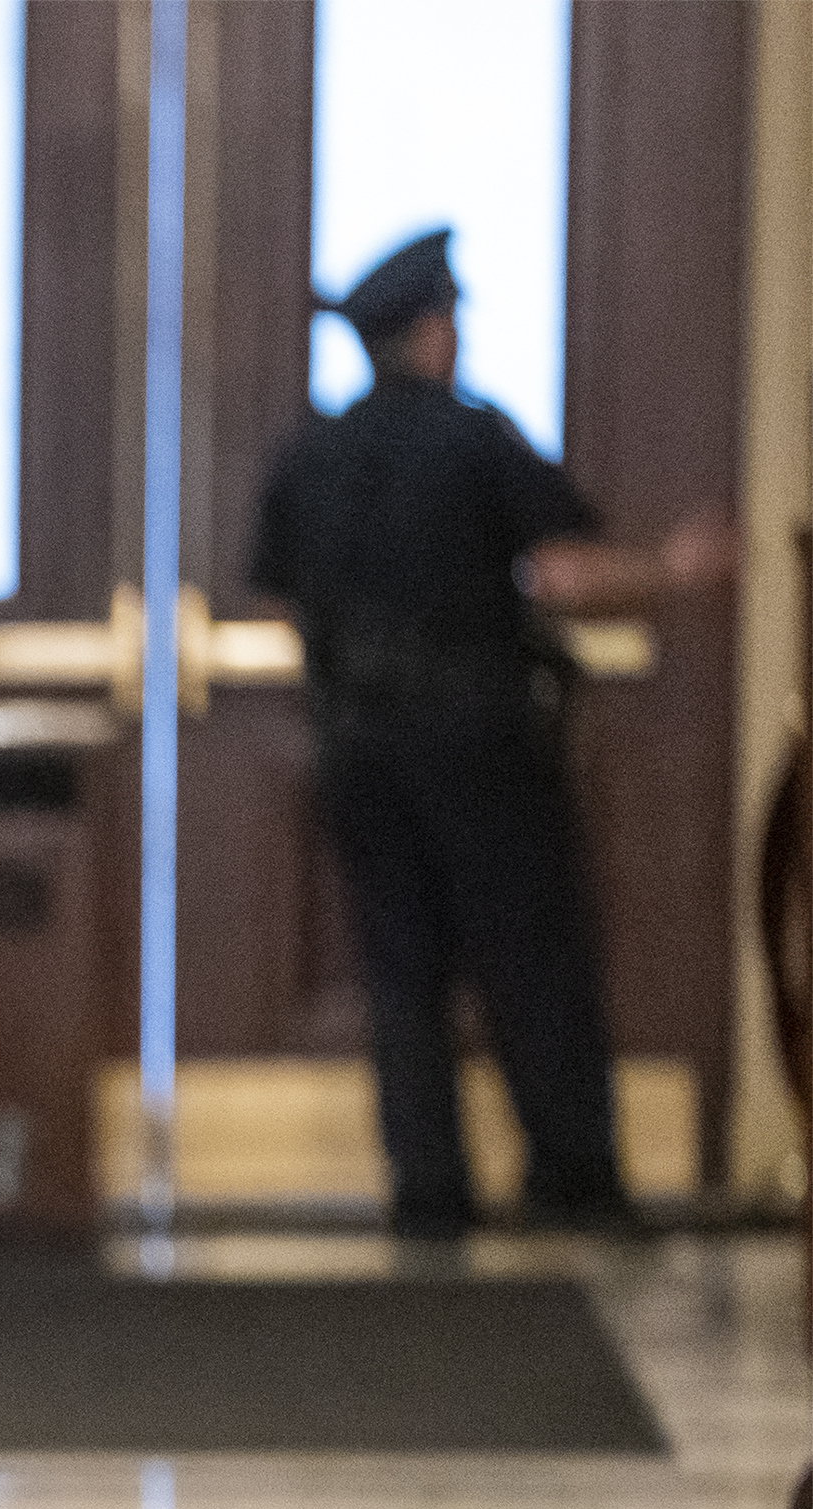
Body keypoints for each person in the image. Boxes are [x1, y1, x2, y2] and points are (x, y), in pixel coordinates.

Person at [250, 226, 734, 1238]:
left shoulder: (310, 456)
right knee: (530, 956)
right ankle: (573, 1174)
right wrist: (673, 573)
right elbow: (563, 574)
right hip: (477, 736)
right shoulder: (472, 438)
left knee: (400, 969)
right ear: (433, 333)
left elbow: (287, 598)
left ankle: (428, 1192)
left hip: (359, 743)